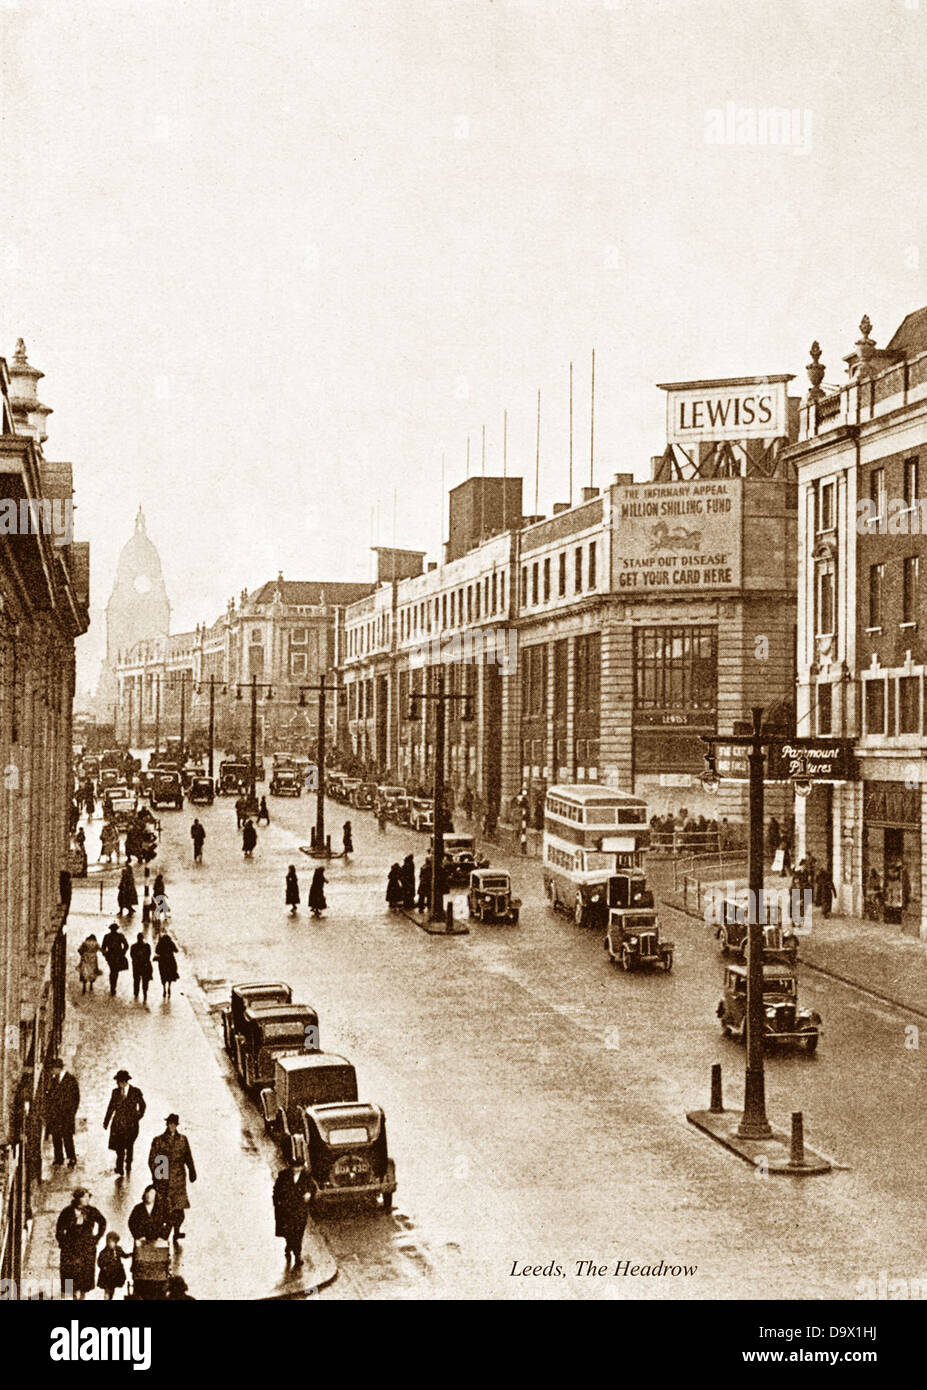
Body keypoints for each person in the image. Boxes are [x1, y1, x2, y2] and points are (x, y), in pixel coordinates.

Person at [148, 1114, 197, 1243]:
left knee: (179, 1210)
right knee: (166, 1210)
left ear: (177, 1125)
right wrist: (157, 1178)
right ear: (167, 1124)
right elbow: (153, 1160)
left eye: (174, 1124)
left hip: (179, 1180)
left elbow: (188, 1157)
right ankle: (165, 1234)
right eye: (170, 1123)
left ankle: (176, 1231)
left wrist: (192, 1171)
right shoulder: (158, 1140)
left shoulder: (183, 1140)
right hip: (165, 1181)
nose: (172, 1126)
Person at [55, 1189, 106, 1300]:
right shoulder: (67, 1212)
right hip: (71, 1249)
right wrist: (64, 1243)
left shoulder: (92, 1211)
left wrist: (96, 1238)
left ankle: (82, 1296)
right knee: (70, 1275)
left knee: (84, 1275)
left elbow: (103, 1222)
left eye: (88, 1197)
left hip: (86, 1248)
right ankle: (72, 1296)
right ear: (78, 1198)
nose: (87, 1199)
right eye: (84, 1197)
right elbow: (59, 1230)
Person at [103, 1070, 146, 1176]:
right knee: (119, 1147)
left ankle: (129, 1164)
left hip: (131, 1125)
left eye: (119, 1082)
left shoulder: (136, 1092)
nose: (118, 1084)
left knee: (129, 1145)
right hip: (118, 1124)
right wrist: (106, 1121)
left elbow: (143, 1105)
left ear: (125, 1082)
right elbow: (111, 1107)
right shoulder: (115, 1092)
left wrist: (138, 1116)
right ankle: (119, 1167)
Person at [272, 1153, 313, 1265]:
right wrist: (277, 1204)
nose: (297, 1169)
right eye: (295, 1167)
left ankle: (297, 1255)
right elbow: (276, 1190)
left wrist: (309, 1194)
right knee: (289, 1232)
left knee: (299, 1233)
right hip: (287, 1209)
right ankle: (289, 1246)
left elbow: (312, 1188)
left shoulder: (306, 1176)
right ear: (291, 1166)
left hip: (300, 1210)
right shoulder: (284, 1175)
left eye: (299, 1167)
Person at [45, 1058, 80, 1168]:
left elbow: (76, 1098)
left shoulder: (71, 1080)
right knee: (56, 1137)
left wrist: (71, 1113)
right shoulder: (54, 1080)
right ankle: (59, 1158)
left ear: (58, 1068)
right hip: (55, 1115)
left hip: (66, 1115)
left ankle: (72, 1158)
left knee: (67, 1137)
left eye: (53, 1069)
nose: (52, 1071)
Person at [97, 1231, 130, 1300]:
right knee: (107, 1290)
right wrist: (104, 1267)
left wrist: (131, 1254)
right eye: (110, 1241)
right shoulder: (104, 1252)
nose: (112, 1243)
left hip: (116, 1273)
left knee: (112, 1289)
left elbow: (124, 1255)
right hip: (106, 1275)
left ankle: (110, 1298)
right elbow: (99, 1262)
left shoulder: (118, 1249)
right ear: (107, 1241)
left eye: (114, 1242)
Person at [101, 922, 129, 997]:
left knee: (113, 971)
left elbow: (103, 947)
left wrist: (105, 955)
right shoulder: (120, 936)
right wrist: (123, 953)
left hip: (111, 956)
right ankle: (113, 986)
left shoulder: (107, 936)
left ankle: (112, 986)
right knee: (115, 972)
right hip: (117, 955)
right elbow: (126, 945)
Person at [155, 930, 179, 999]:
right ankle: (169, 987)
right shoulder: (171, 943)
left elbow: (156, 951)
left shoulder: (160, 943)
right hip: (170, 960)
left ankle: (164, 988)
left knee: (163, 975)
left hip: (162, 961)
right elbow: (176, 950)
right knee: (171, 973)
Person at [130, 932, 153, 1003]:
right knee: (145, 980)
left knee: (136, 979)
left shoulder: (133, 946)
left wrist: (137, 960)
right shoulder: (147, 946)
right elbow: (149, 955)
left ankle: (136, 993)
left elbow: (132, 956)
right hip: (144, 965)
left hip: (137, 965)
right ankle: (144, 993)